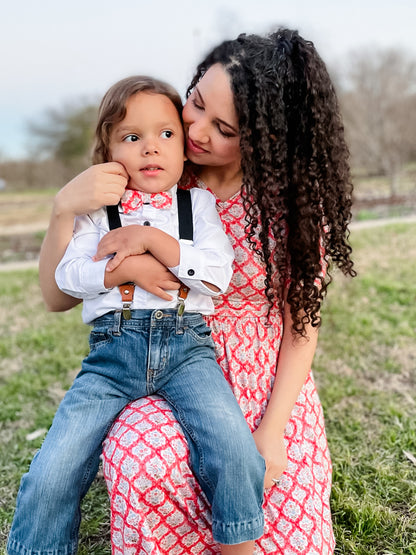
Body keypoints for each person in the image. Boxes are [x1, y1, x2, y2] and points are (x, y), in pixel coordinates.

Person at [34, 28, 355, 554]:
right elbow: (57, 296)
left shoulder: (290, 204)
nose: (197, 130)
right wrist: (62, 209)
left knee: (267, 510)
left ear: (265, 137)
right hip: (163, 363)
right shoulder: (156, 177)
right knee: (142, 460)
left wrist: (273, 432)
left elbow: (303, 324)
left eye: (223, 126)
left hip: (261, 383)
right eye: (196, 103)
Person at [7, 76, 267, 555]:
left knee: (235, 450)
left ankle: (240, 544)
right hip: (112, 354)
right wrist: (122, 268)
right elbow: (68, 278)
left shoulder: (197, 204)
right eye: (132, 137)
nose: (151, 148)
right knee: (52, 470)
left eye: (167, 135)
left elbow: (215, 276)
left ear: (184, 148)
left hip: (188, 349)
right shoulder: (97, 211)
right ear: (107, 149)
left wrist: (153, 245)